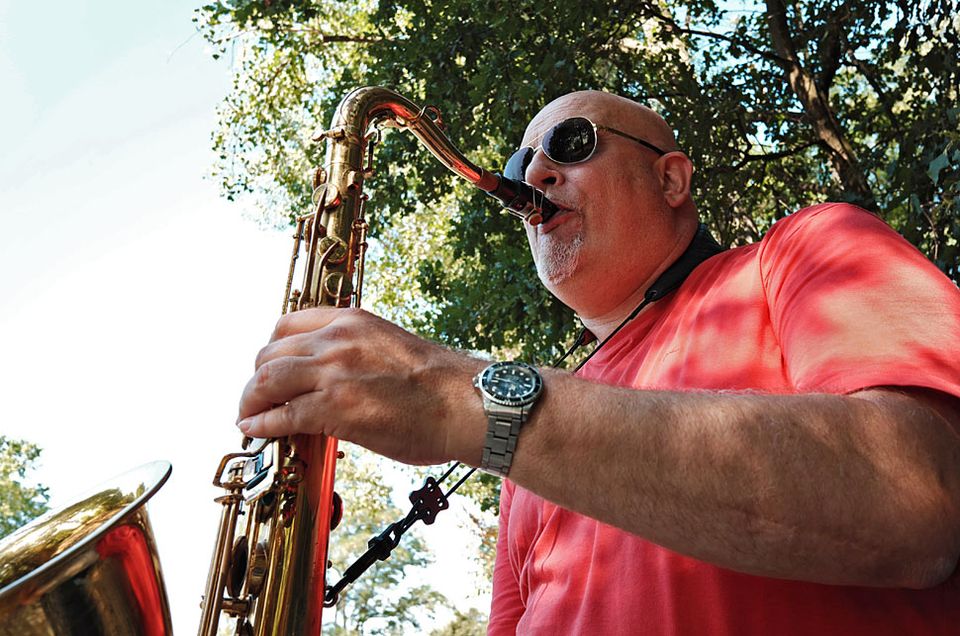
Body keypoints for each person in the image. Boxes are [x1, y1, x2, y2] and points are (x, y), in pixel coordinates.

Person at [236, 91, 960, 634]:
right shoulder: (528, 441)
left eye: (570, 143)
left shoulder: (804, 250)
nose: (536, 173)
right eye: (523, 164)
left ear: (672, 180)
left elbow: (922, 498)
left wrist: (464, 400)